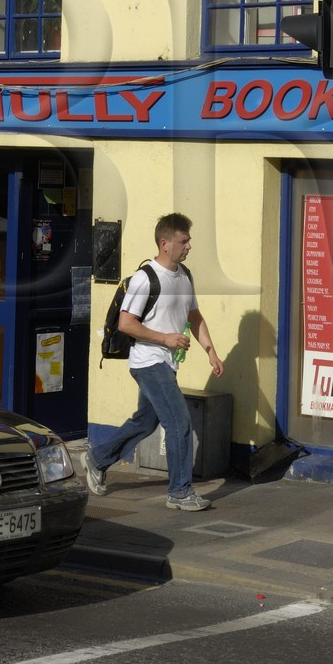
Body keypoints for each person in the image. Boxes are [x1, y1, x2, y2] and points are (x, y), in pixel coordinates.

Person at [83, 212, 224, 512]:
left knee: (145, 422)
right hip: (148, 362)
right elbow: (126, 323)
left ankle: (97, 458)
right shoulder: (145, 278)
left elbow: (194, 315)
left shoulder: (184, 276)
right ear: (165, 243)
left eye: (188, 241)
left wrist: (210, 351)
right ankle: (180, 492)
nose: (188, 246)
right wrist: (165, 339)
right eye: (183, 241)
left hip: (166, 363)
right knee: (179, 422)